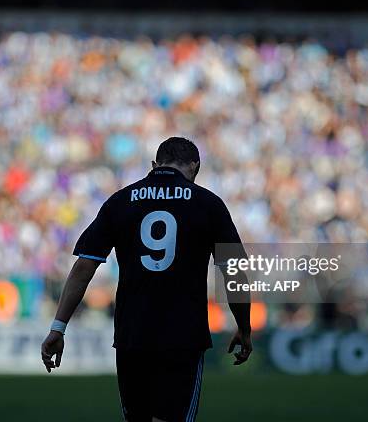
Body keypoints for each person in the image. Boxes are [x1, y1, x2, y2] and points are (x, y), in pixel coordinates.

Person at [41, 137, 252, 422]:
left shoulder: (121, 201)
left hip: (133, 332)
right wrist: (244, 326)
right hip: (183, 334)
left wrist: (59, 327)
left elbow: (84, 267)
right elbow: (234, 270)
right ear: (195, 167)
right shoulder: (208, 204)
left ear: (154, 165)